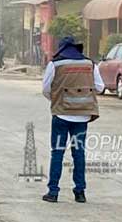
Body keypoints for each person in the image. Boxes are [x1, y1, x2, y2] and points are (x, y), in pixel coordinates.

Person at [42, 36, 104, 203]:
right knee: (79, 153)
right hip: (82, 116)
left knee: (57, 152)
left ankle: (53, 192)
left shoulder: (55, 64)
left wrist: (58, 100)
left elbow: (46, 89)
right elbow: (100, 87)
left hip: (61, 115)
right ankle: (80, 192)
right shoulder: (90, 64)